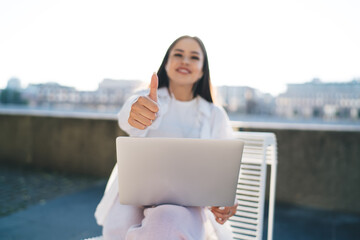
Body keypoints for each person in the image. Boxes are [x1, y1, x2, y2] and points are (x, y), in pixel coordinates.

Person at [95, 35, 238, 240]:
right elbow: (127, 118)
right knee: (119, 229)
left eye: (194, 57)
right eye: (178, 54)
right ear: (167, 63)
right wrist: (136, 113)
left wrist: (227, 199)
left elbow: (226, 171)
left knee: (166, 222)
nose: (185, 61)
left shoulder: (215, 115)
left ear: (202, 70)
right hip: (134, 199)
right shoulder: (147, 100)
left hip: (187, 206)